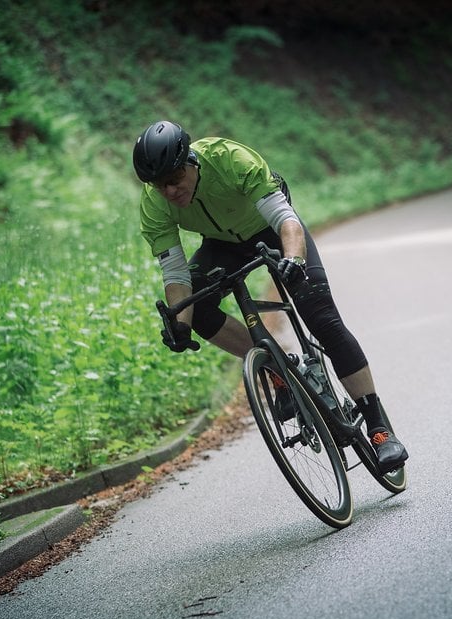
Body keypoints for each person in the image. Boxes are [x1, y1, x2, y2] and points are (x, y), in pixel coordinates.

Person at [132, 120, 408, 472]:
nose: (168, 191)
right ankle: (279, 369)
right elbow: (175, 274)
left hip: (273, 230)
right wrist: (179, 324)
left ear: (191, 162)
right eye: (159, 184)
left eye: (174, 179)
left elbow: (285, 219)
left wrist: (293, 259)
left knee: (322, 318)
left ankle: (379, 429)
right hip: (222, 246)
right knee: (195, 310)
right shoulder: (154, 203)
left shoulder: (229, 158)